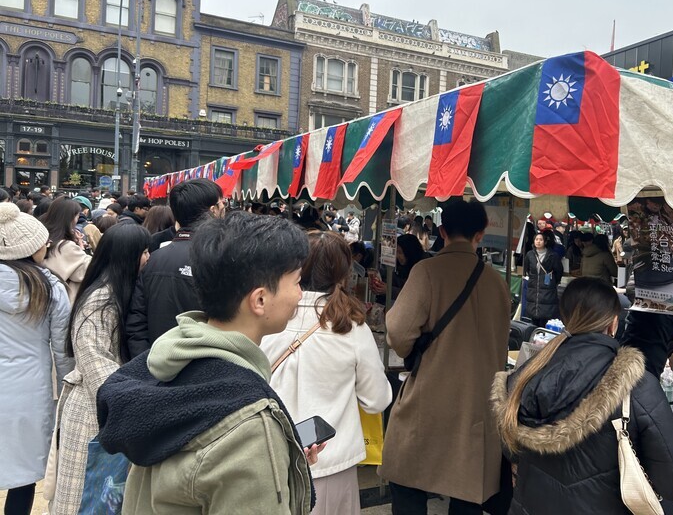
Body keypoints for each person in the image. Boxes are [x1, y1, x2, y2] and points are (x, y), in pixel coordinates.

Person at [96, 212, 318, 515]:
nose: (300, 294)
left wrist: (279, 461)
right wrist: (265, 451)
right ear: (260, 300)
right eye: (297, 281)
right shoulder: (250, 424)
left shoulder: (170, 362)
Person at [491, 277, 673, 515]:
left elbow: (511, 450)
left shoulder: (524, 375)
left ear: (565, 317)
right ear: (613, 324)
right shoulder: (636, 385)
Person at [379, 200, 511, 514]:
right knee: (467, 494)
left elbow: (397, 332)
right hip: (479, 404)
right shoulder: (497, 282)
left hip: (429, 398)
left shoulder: (427, 271)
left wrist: (413, 348)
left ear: (441, 231)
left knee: (408, 483)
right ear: (480, 234)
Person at [262, 231, 392, 514]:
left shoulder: (267, 317)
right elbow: (377, 399)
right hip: (332, 462)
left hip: (271, 456)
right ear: (342, 272)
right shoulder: (352, 327)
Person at [50, 224, 151, 515]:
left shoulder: (117, 291)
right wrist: (125, 400)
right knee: (86, 495)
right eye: (144, 251)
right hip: (92, 410)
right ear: (127, 255)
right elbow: (94, 359)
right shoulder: (101, 299)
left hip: (102, 405)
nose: (148, 257)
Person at [0, 203, 72, 515]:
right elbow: (61, 348)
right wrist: (68, 389)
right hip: (31, 389)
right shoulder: (49, 287)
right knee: (24, 472)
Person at [126, 179, 225, 358]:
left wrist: (146, 365)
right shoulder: (222, 259)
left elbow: (136, 323)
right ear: (213, 211)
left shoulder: (154, 259)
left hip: (157, 366)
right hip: (205, 369)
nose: (224, 208)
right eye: (222, 203)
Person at [41, 197, 92, 303]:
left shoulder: (42, 237)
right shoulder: (65, 246)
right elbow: (86, 271)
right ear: (72, 218)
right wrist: (81, 247)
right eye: (77, 215)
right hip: (61, 302)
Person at [371, 234, 429, 302]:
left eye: (400, 252)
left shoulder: (423, 269)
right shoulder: (401, 267)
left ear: (409, 252)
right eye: (396, 252)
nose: (397, 256)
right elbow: (396, 282)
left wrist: (389, 290)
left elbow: (414, 295)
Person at [523, 230, 563, 326]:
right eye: (536, 239)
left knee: (545, 316)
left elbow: (559, 271)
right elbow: (527, 268)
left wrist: (553, 281)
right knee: (533, 316)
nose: (538, 241)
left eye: (541, 240)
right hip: (533, 289)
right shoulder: (529, 255)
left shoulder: (553, 255)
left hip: (547, 289)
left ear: (545, 242)